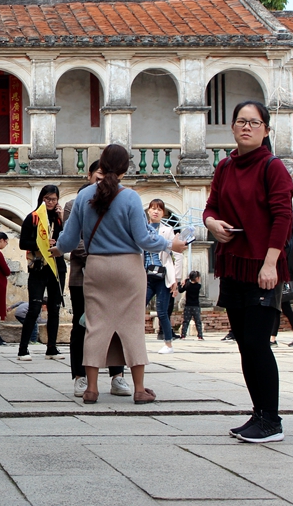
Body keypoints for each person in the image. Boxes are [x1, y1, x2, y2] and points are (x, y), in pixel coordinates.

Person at [54, 144, 187, 405]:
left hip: (97, 267)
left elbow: (68, 240)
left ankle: (91, 389)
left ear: (100, 165)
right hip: (128, 267)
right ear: (126, 169)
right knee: (132, 327)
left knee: (95, 326)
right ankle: (139, 388)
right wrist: (171, 244)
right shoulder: (130, 197)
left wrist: (58, 249)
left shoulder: (83, 197)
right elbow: (143, 238)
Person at [203, 100, 293, 443]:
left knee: (258, 343)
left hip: (262, 266)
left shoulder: (273, 167)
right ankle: (258, 413)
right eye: (241, 121)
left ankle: (272, 419)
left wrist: (271, 263)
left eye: (254, 123)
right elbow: (211, 205)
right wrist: (212, 223)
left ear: (266, 130)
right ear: (232, 127)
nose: (246, 127)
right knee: (244, 343)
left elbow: (282, 217)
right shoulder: (225, 166)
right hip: (234, 262)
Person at [64, 160, 130, 397]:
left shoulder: (120, 201)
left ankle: (117, 376)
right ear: (89, 175)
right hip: (83, 277)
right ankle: (80, 376)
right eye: (99, 175)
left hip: (113, 277)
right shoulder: (74, 204)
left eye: (107, 174)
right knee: (81, 327)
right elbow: (74, 242)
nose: (102, 179)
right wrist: (106, 253)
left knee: (116, 326)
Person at [18, 185, 67, 362]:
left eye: (54, 199)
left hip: (57, 266)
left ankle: (52, 347)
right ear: (41, 199)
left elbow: (68, 238)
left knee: (54, 307)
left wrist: (62, 218)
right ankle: (23, 349)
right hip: (39, 266)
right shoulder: (33, 218)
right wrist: (43, 244)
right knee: (35, 307)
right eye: (47, 199)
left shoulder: (59, 220)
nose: (51, 202)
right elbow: (23, 243)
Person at [145, 198, 183, 354]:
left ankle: (168, 344)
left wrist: (176, 279)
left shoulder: (167, 230)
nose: (156, 211)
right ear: (148, 211)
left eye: (159, 209)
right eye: (153, 208)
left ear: (163, 213)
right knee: (137, 308)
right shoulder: (142, 228)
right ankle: (134, 343)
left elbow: (176, 255)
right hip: (145, 275)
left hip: (162, 275)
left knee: (162, 312)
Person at [178, 271, 204, 340]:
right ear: (197, 278)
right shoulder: (198, 286)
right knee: (198, 321)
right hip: (196, 306)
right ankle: (200, 336)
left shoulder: (187, 285)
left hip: (188, 306)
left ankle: (183, 335)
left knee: (186, 321)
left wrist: (183, 282)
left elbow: (180, 290)